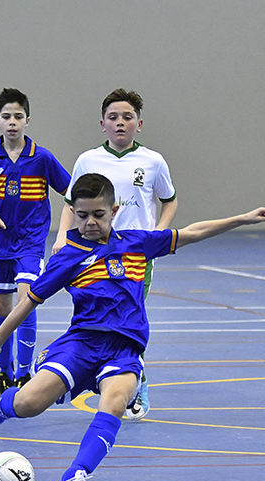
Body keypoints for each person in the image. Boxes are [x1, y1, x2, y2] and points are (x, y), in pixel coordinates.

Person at [0, 173, 265, 481]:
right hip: (81, 344)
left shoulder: (137, 243)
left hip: (124, 349)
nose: (90, 222)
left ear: (114, 210)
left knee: (116, 403)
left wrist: (242, 219)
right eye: (82, 216)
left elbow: (193, 232)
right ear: (74, 214)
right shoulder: (68, 257)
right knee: (28, 405)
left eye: (98, 214)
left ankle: (74, 480)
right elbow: (29, 301)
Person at [52, 88, 177, 420]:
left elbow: (170, 199)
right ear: (102, 124)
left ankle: (138, 384)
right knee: (92, 316)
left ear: (139, 123)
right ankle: (71, 370)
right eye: (113, 117)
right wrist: (63, 237)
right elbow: (69, 203)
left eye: (127, 117)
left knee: (128, 320)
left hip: (133, 257)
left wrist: (159, 233)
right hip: (90, 256)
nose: (120, 123)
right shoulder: (88, 160)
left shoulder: (153, 161)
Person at [0, 88, 71, 399]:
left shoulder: (42, 158)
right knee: (2, 306)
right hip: (0, 243)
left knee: (27, 302)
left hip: (30, 241)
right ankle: (5, 374)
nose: (12, 122)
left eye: (18, 116)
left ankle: (26, 375)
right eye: (6, 117)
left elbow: (70, 192)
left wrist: (64, 233)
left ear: (28, 120)